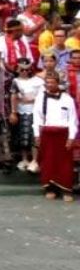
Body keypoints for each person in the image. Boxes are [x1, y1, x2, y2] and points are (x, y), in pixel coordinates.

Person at [33, 70, 76, 201]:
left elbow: (72, 119)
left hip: (63, 134)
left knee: (65, 163)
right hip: (47, 133)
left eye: (52, 82)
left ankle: (66, 190)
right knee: (48, 162)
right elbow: (37, 117)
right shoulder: (41, 98)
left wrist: (71, 137)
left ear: (58, 83)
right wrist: (37, 135)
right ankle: (50, 189)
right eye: (47, 83)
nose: (50, 85)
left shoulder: (67, 99)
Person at [12, 57, 44, 172]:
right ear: (17, 69)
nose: (25, 72)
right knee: (22, 136)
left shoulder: (38, 81)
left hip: (35, 112)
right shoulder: (15, 81)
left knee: (34, 137)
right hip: (21, 111)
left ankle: (34, 160)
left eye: (27, 69)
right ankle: (24, 159)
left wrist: (29, 100)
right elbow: (14, 97)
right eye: (22, 69)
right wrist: (13, 112)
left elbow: (41, 97)